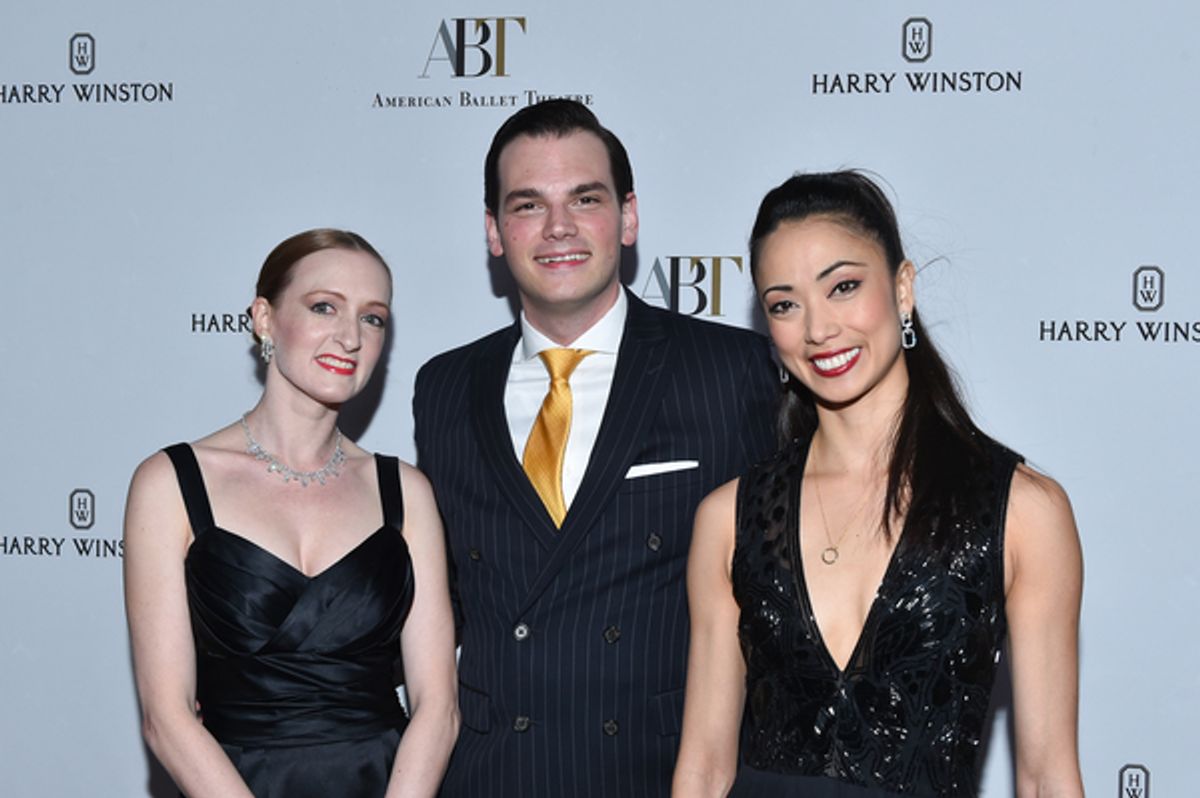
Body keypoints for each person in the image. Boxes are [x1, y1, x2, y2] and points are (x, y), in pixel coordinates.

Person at [673, 172, 1084, 798]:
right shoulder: (729, 518)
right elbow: (703, 770)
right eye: (785, 303)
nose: (818, 329)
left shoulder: (1023, 511)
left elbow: (1046, 776)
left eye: (843, 287)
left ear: (902, 287)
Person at [412, 99, 777, 797]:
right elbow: (445, 600)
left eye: (585, 198)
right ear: (494, 232)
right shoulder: (445, 387)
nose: (558, 228)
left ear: (628, 216)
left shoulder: (733, 372)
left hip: (661, 775)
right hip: (492, 778)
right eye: (527, 205)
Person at [124, 229, 459, 798]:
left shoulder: (406, 491)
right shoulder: (171, 484)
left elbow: (438, 707)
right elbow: (167, 718)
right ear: (263, 318)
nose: (350, 336)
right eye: (324, 306)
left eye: (373, 318)